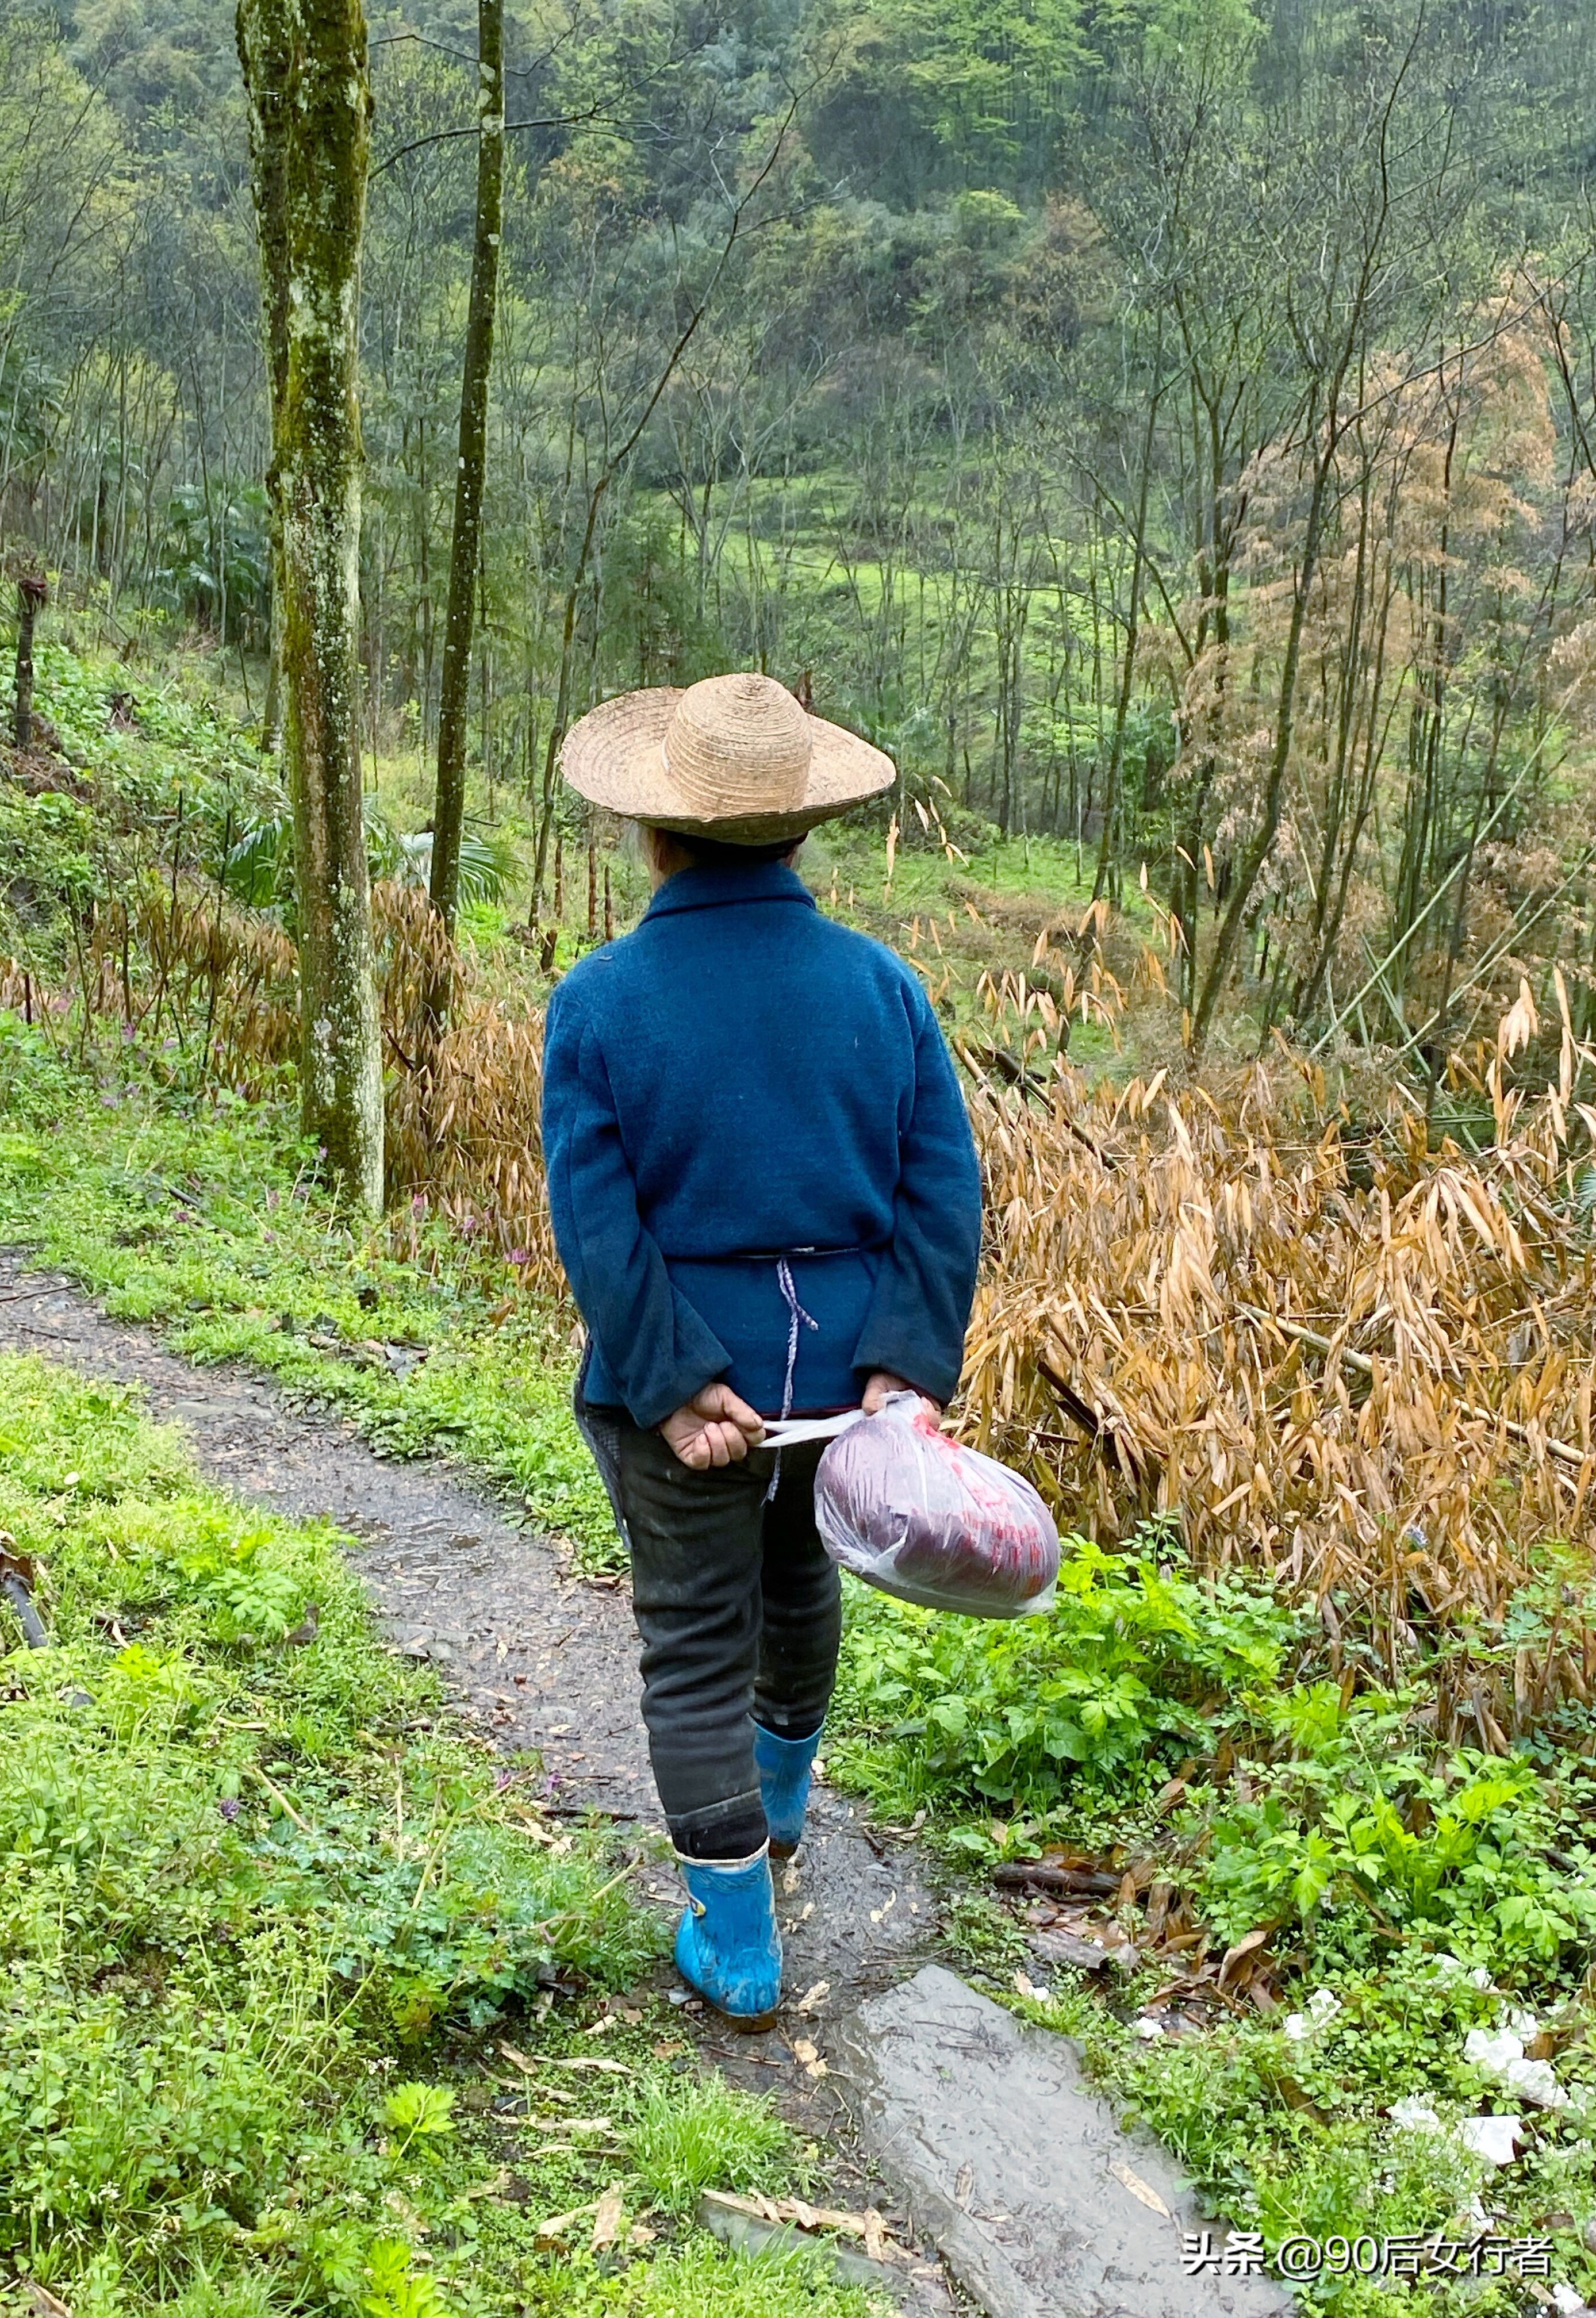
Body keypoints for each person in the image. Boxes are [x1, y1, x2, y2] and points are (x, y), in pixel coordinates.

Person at [541, 671, 981, 2028]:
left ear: (652, 835)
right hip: (847, 1387)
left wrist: (674, 1388)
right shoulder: (883, 988)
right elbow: (942, 1190)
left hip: (694, 1385)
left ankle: (737, 1944)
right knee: (800, 1587)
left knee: (691, 1640)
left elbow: (598, 1222)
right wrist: (898, 1373)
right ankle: (779, 1810)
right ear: (803, 833)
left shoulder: (603, 1001)